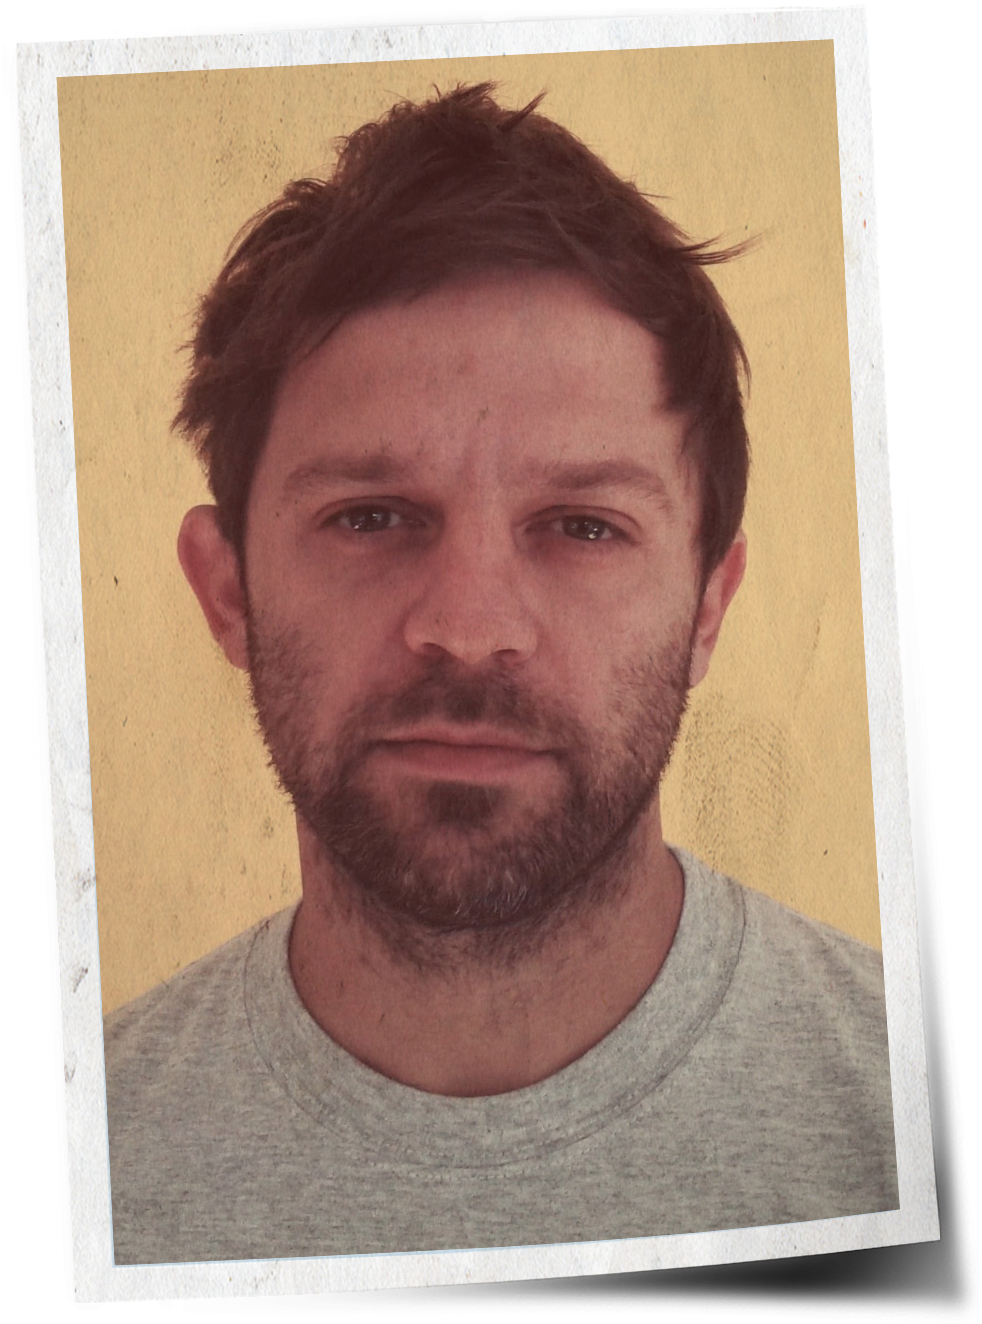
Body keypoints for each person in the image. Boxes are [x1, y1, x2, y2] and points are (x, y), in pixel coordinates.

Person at [104, 84, 898, 1266]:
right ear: (229, 592)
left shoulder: (920, 1111)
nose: (469, 629)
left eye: (582, 526)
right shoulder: (75, 1164)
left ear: (706, 607)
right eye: (369, 515)